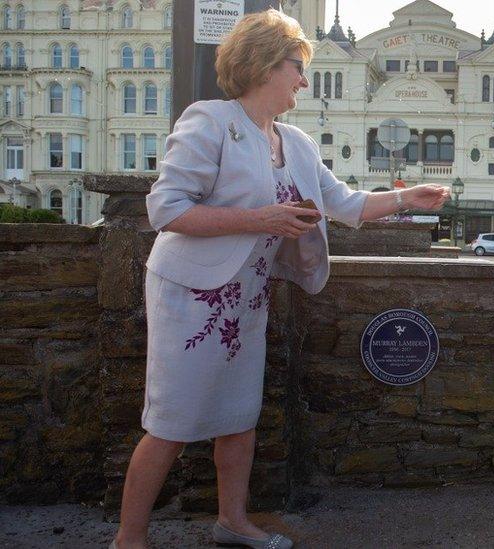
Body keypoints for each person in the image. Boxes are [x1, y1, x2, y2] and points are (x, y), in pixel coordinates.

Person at [111, 10, 449, 549]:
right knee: (171, 418)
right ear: (264, 63)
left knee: (239, 413)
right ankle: (130, 538)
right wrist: (259, 219)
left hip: (246, 297)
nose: (303, 80)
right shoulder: (210, 120)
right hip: (191, 293)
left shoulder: (295, 141)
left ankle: (232, 522)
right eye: (297, 66)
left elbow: (344, 203)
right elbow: (166, 210)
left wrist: (407, 197)